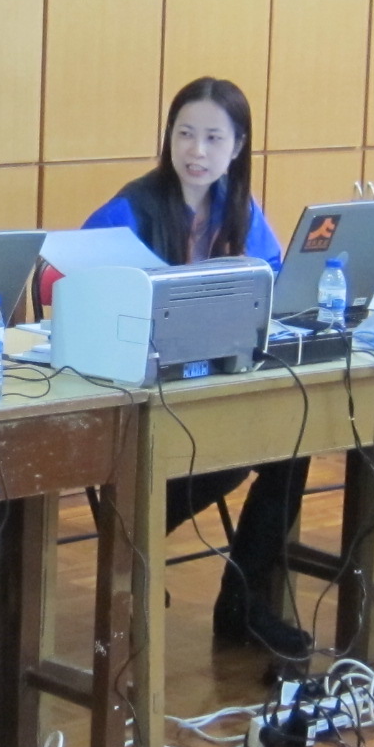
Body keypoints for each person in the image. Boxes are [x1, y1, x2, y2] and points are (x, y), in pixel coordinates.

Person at [82, 76, 314, 661]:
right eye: (185, 134)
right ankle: (134, 527)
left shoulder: (238, 207)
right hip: (147, 394)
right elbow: (77, 285)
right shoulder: (131, 208)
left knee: (293, 443)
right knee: (241, 448)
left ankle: (243, 603)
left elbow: (271, 284)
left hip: (214, 384)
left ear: (238, 146)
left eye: (214, 138)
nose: (197, 151)